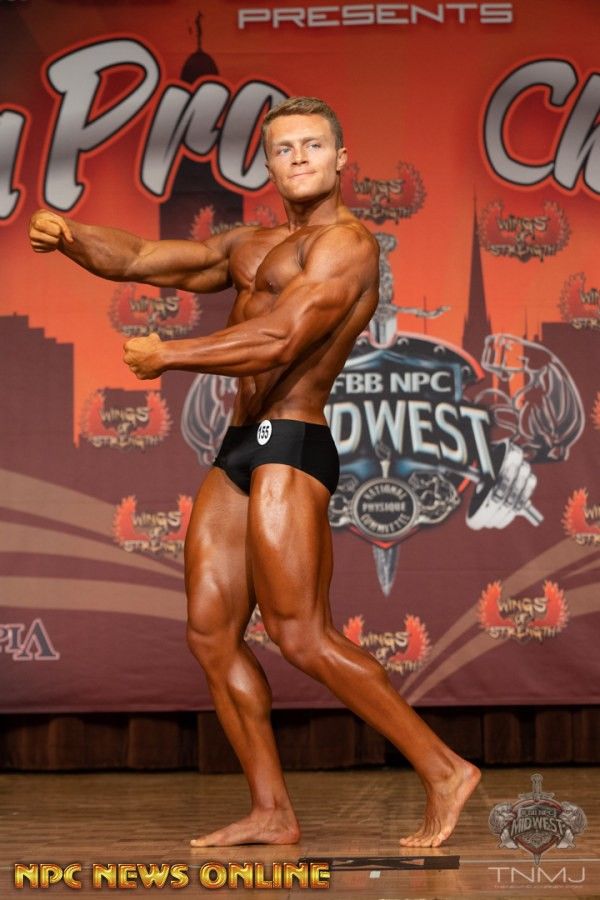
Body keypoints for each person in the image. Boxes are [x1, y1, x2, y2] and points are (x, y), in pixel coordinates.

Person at [28, 97, 480, 848]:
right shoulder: (252, 244)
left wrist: (170, 354)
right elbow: (141, 258)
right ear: (267, 163)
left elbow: (280, 337)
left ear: (341, 159)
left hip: (291, 441)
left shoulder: (348, 246)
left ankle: (444, 769)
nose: (298, 158)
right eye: (283, 148)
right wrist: (73, 238)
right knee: (211, 635)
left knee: (301, 635)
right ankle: (272, 809)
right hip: (241, 444)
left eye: (313, 145)